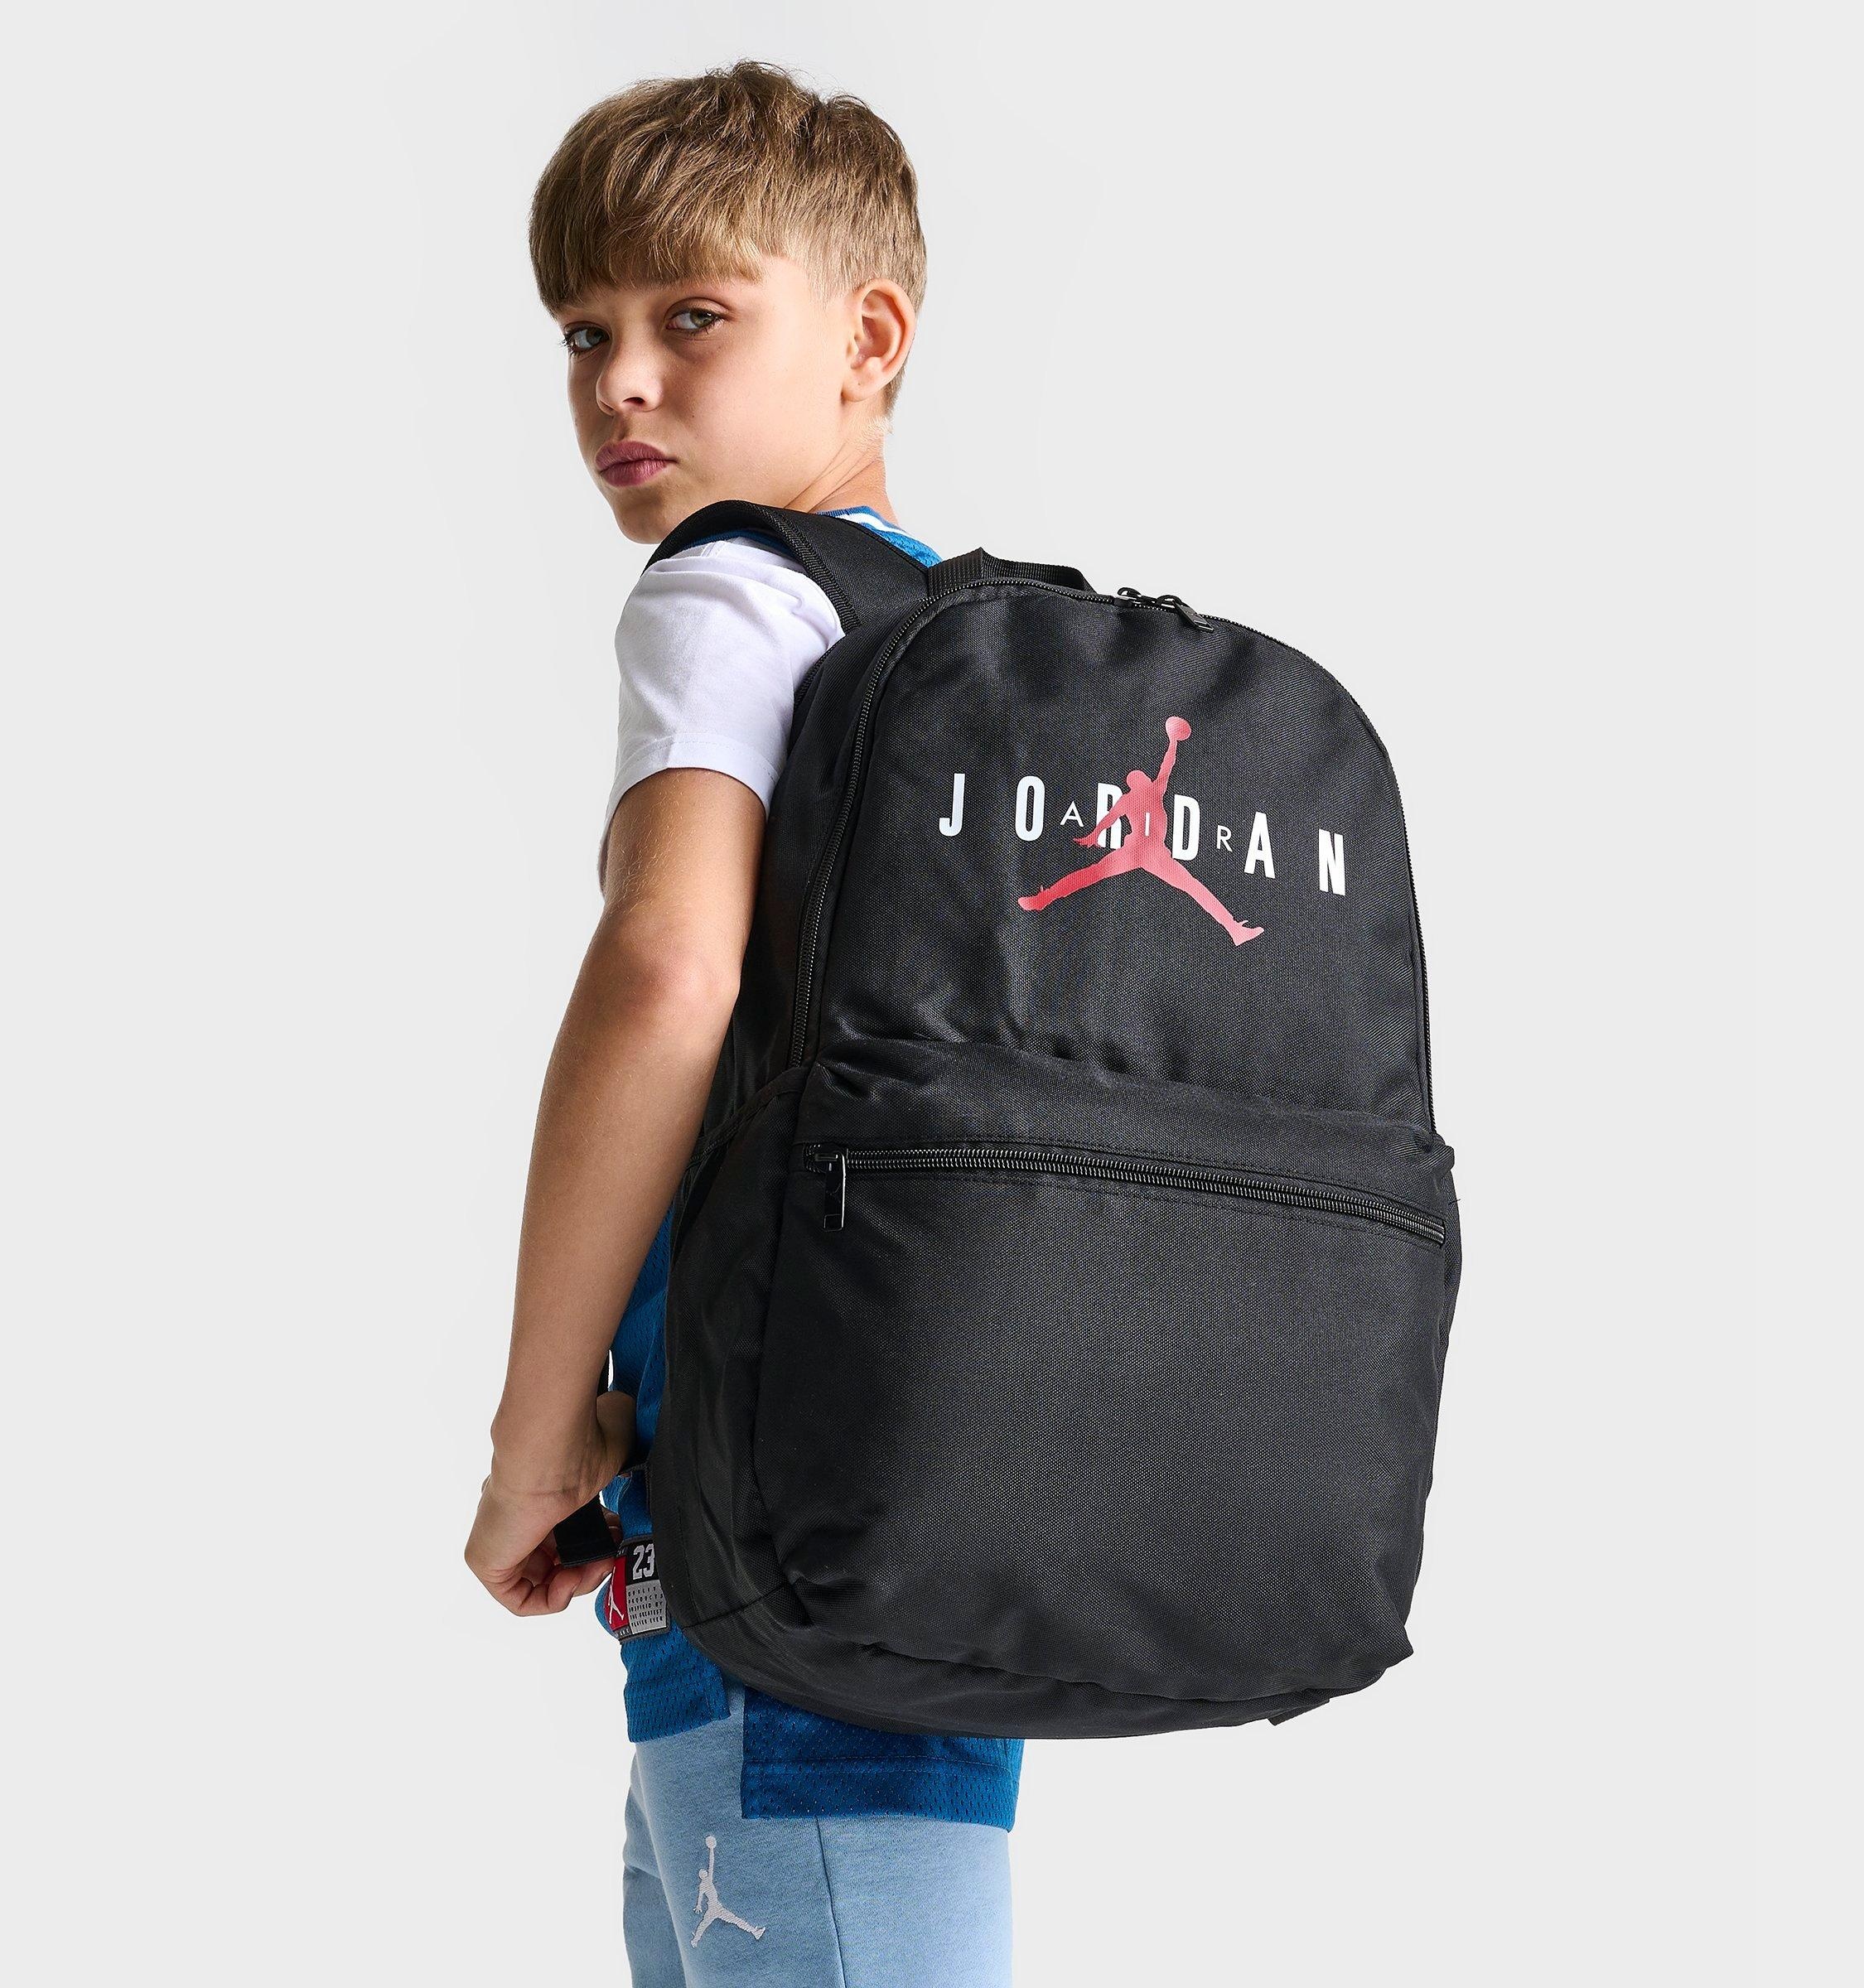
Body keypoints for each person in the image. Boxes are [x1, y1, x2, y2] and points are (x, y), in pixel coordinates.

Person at [462, 62, 1017, 1988]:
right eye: (582, 331)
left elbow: (668, 976)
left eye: (691, 318)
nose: (621, 382)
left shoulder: (730, 594)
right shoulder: (967, 646)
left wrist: (535, 1441)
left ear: (869, 340)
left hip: (759, 1553)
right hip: (921, 1521)